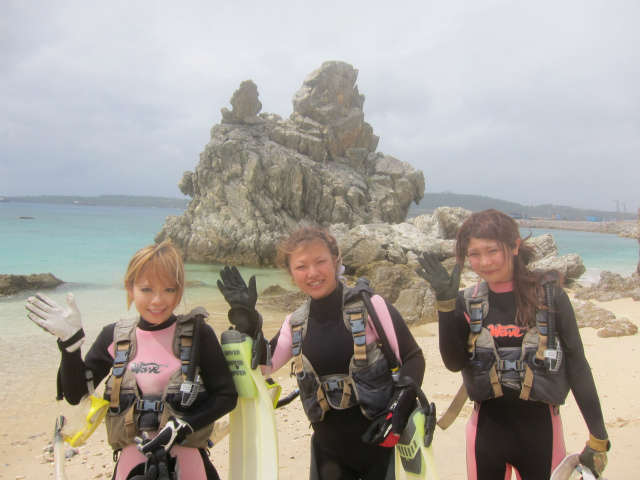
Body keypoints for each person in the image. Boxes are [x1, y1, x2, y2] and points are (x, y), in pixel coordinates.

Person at [217, 227, 426, 480]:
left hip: (382, 450)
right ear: (291, 273)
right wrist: (248, 322)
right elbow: (263, 366)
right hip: (329, 456)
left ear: (335, 261)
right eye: (301, 266)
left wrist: (400, 406)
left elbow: (412, 357)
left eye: (320, 262)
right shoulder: (295, 323)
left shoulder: (370, 306)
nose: (313, 273)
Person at [416, 209, 610, 480]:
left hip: (542, 437)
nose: (484, 262)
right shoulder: (467, 302)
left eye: (493, 250)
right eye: (474, 254)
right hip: (485, 436)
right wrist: (446, 306)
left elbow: (577, 365)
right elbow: (453, 363)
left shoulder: (550, 297)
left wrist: (598, 438)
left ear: (515, 246)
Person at [26, 240, 237, 480]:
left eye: (169, 289)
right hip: (130, 470)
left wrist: (182, 426)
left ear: (180, 290)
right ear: (130, 288)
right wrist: (70, 345)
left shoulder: (199, 335)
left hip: (190, 469)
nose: (157, 300)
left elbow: (226, 396)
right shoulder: (114, 337)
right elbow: (76, 396)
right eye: (146, 289)